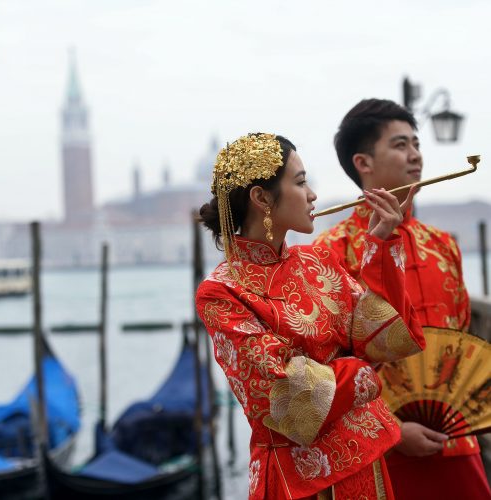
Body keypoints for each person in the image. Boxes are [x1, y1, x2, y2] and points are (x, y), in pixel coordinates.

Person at [196, 132, 425, 499]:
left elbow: (387, 340)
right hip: (299, 480)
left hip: (366, 457)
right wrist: (360, 372)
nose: (313, 194)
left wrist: (380, 243)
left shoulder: (319, 261)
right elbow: (283, 393)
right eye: (301, 182)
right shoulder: (222, 291)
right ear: (261, 198)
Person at [314, 99, 491, 499]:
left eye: (416, 143)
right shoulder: (330, 252)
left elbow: (460, 340)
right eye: (399, 145)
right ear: (363, 162)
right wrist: (391, 427)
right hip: (375, 450)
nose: (415, 155)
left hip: (457, 440)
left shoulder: (443, 245)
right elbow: (328, 365)